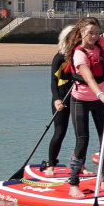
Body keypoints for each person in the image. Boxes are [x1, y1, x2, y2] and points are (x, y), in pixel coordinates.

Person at [63, 16, 104, 199]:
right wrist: (101, 95)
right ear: (82, 32)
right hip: (81, 100)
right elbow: (89, 78)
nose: (93, 36)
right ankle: (73, 183)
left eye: (96, 33)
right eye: (90, 33)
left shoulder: (100, 43)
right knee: (82, 140)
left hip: (102, 99)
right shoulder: (78, 53)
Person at [44, 24, 76, 175]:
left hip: (76, 97)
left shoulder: (80, 55)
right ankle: (51, 164)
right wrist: (57, 100)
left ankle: (78, 164)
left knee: (81, 133)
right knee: (59, 132)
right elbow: (53, 82)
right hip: (61, 98)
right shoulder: (59, 57)